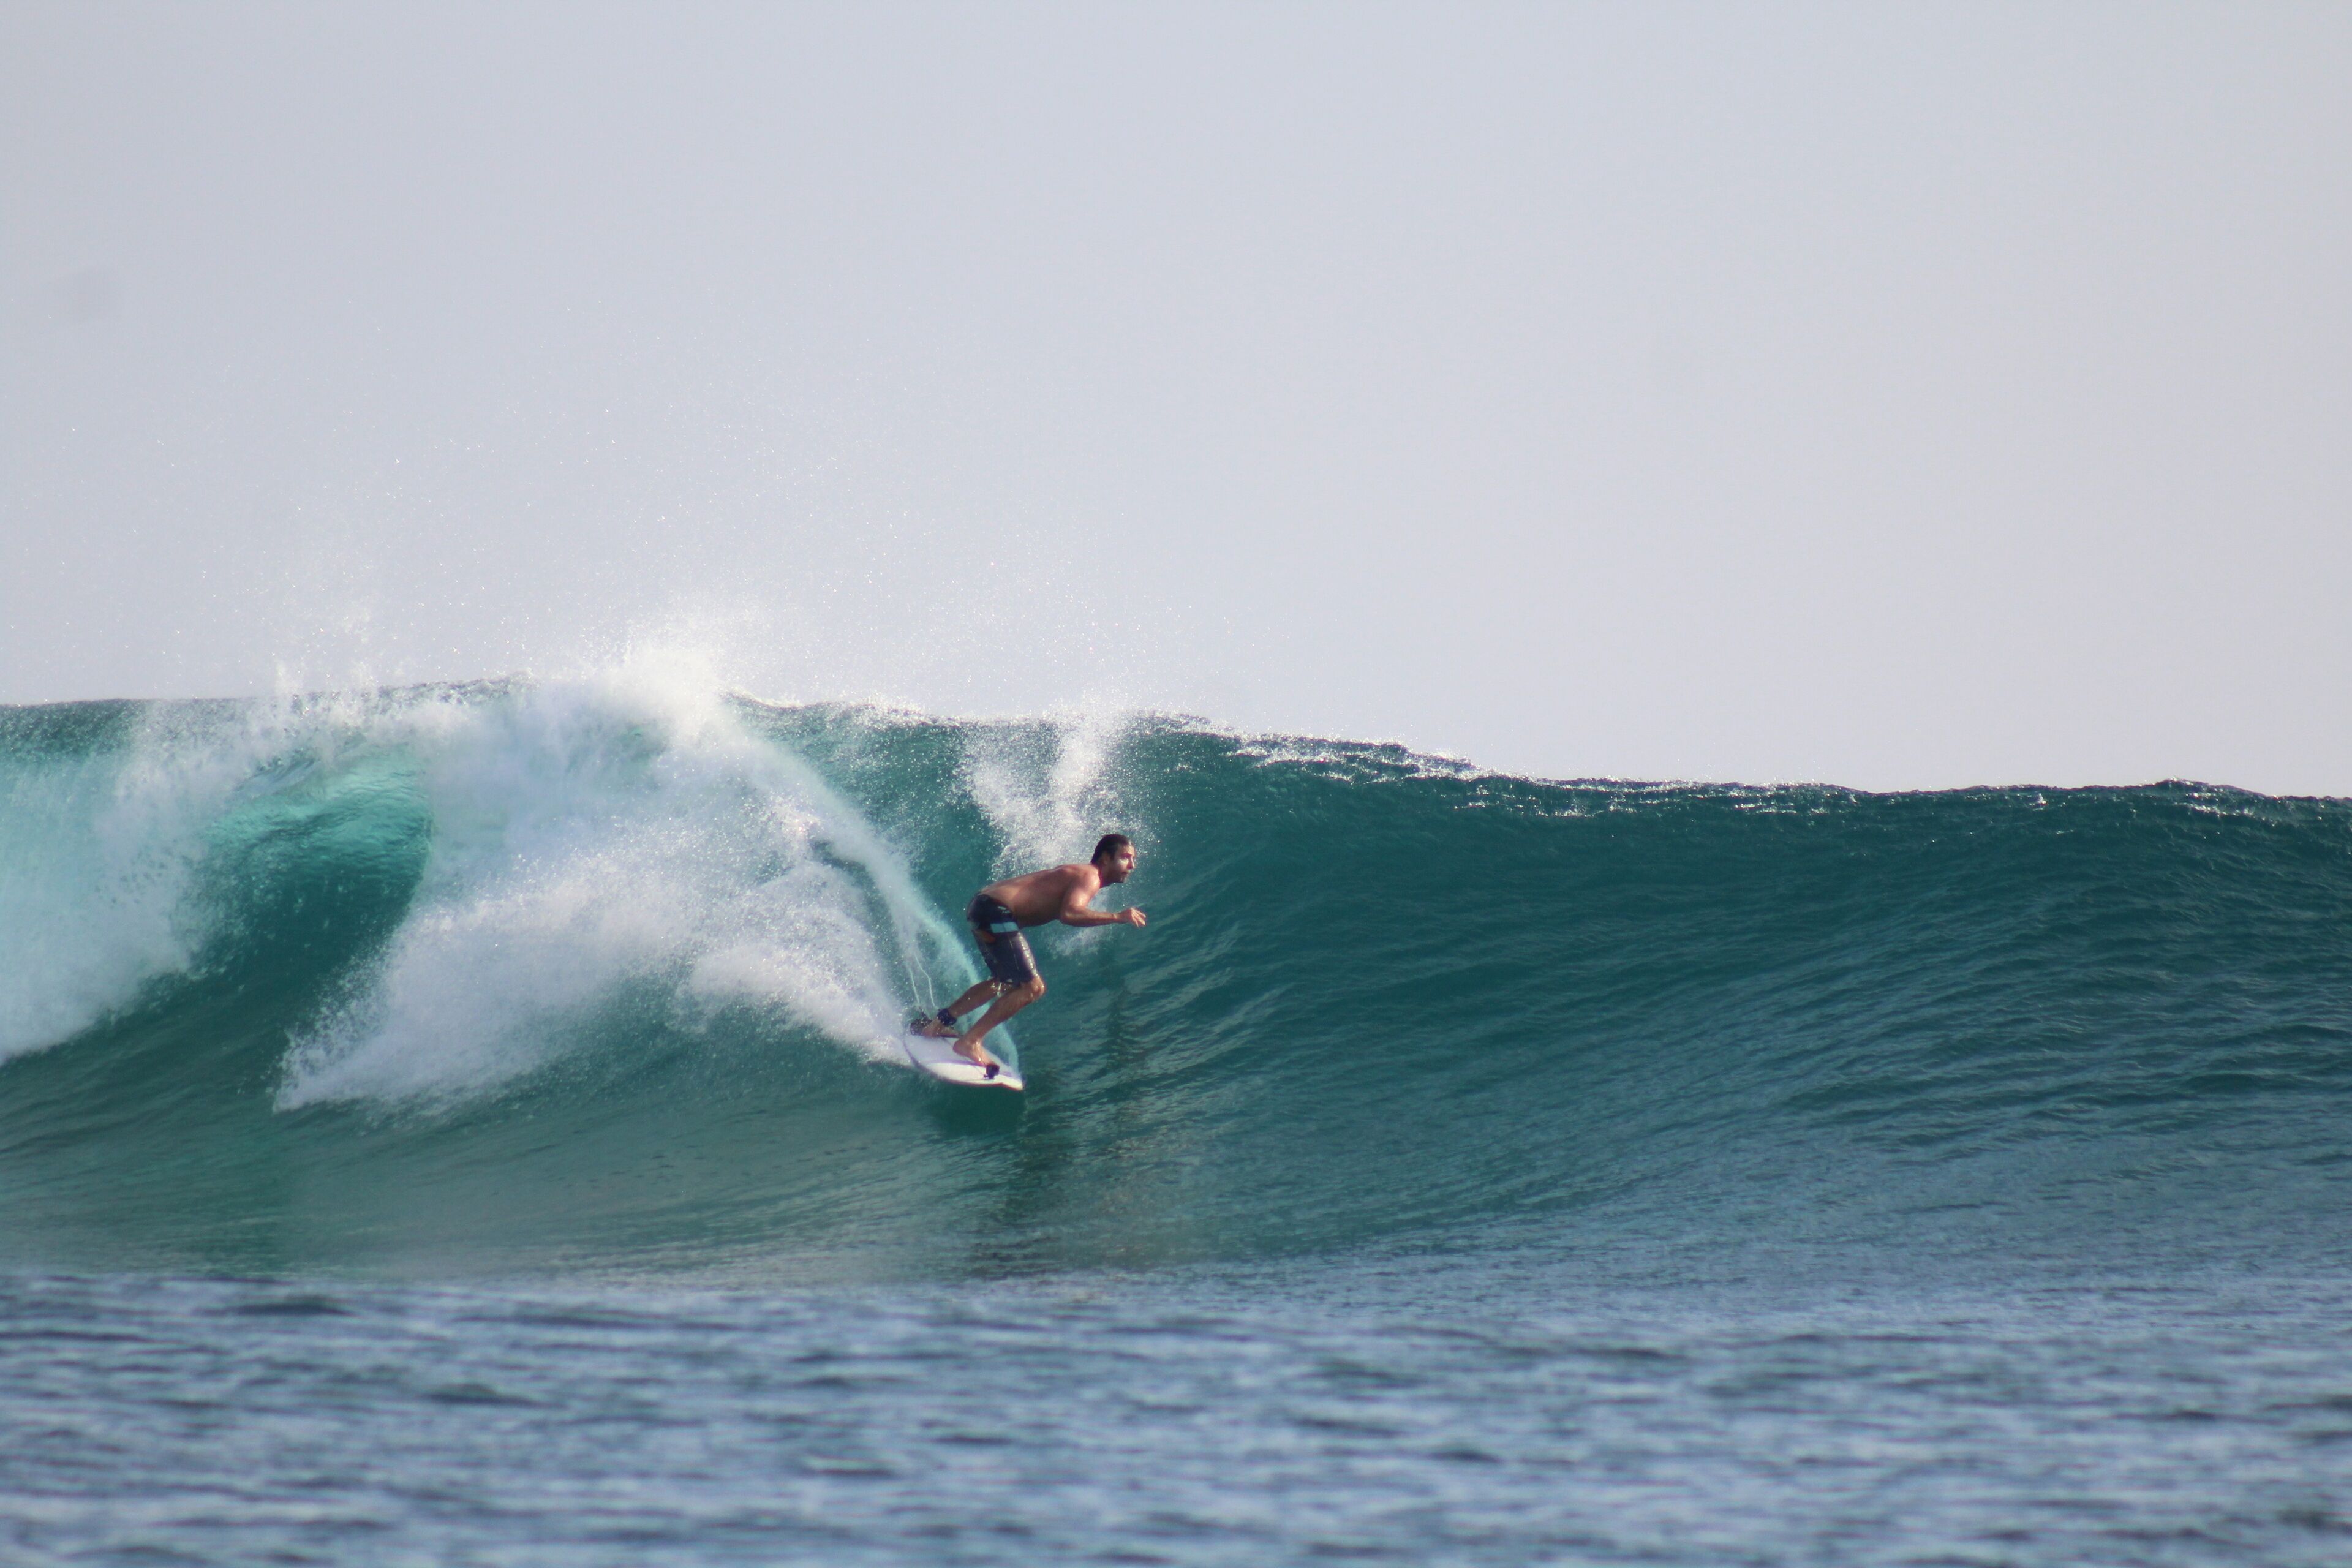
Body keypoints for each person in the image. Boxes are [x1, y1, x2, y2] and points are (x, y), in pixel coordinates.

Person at [916, 833, 1146, 1076]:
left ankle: (937, 1024)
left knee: (1003, 981)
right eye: (1125, 858)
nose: (1132, 865)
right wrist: (1117, 917)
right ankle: (971, 1042)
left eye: (1133, 859)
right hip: (997, 911)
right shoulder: (1091, 876)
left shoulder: (1081, 874)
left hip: (984, 907)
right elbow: (1070, 914)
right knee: (1032, 987)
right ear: (1106, 859)